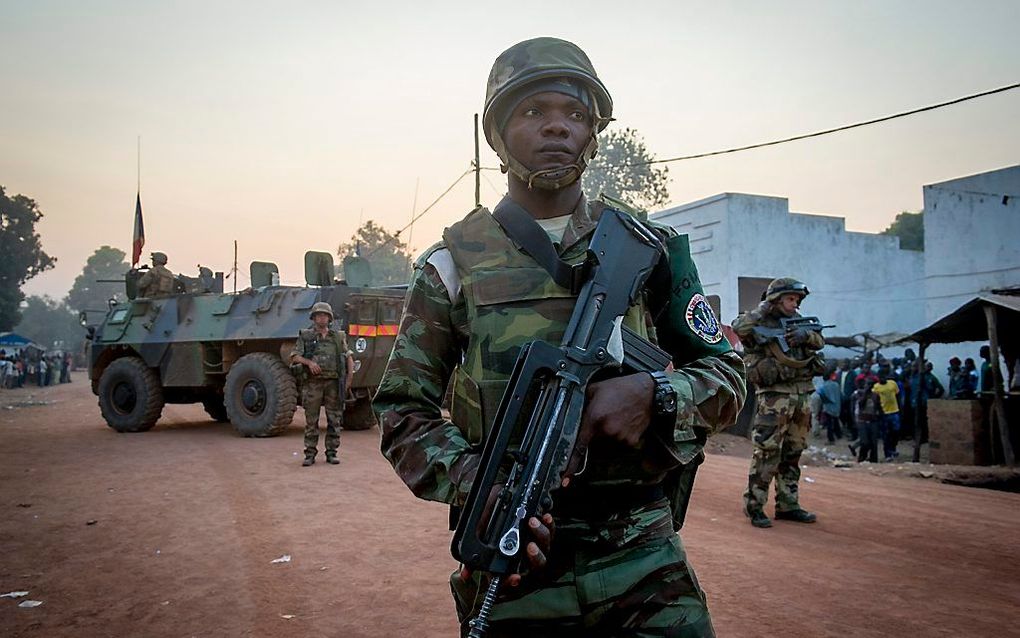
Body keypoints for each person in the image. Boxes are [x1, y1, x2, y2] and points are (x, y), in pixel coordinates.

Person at [374, 37, 745, 637]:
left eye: (574, 115)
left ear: (592, 135)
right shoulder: (451, 263)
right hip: (519, 557)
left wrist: (656, 394)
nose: (557, 128)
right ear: (497, 136)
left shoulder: (650, 249)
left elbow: (727, 377)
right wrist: (478, 483)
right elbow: (401, 408)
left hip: (642, 554)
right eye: (532, 112)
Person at [733, 278, 825, 528]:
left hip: (802, 393)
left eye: (797, 300)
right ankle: (754, 505)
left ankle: (788, 504)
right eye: (789, 299)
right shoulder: (758, 321)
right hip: (775, 396)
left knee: (793, 451)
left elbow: (819, 339)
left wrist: (805, 336)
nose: (794, 305)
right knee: (767, 451)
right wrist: (763, 308)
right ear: (775, 300)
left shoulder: (800, 324)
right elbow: (739, 327)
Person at [290, 301, 354, 466]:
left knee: (334, 419)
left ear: (329, 318)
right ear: (313, 318)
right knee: (312, 420)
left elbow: (348, 357)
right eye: (318, 315)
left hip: (333, 384)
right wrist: (309, 363)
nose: (321, 318)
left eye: (324, 315)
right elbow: (294, 356)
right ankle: (310, 454)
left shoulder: (338, 337)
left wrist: (348, 380)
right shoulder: (306, 336)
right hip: (313, 384)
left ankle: (331, 453)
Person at [872, 370, 901, 461]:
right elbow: (875, 401)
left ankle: (893, 449)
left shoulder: (892, 384)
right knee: (886, 434)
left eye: (883, 377)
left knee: (896, 432)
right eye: (880, 378)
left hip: (895, 411)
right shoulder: (876, 387)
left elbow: (897, 395)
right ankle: (887, 454)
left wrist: (900, 408)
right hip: (884, 413)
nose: (882, 379)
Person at [853, 378, 882, 463]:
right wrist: (865, 393)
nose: (868, 386)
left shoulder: (875, 395)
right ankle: (862, 458)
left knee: (873, 443)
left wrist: (879, 416)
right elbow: (860, 404)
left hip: (873, 421)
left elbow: (878, 408)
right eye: (867, 384)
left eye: (870, 385)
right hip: (862, 420)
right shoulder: (860, 394)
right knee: (864, 442)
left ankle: (873, 460)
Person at [818, 371, 843, 443]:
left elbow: (821, 395)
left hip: (828, 406)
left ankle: (831, 438)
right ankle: (838, 434)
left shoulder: (823, 386)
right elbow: (840, 395)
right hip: (837, 406)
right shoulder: (836, 384)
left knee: (829, 423)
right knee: (836, 420)